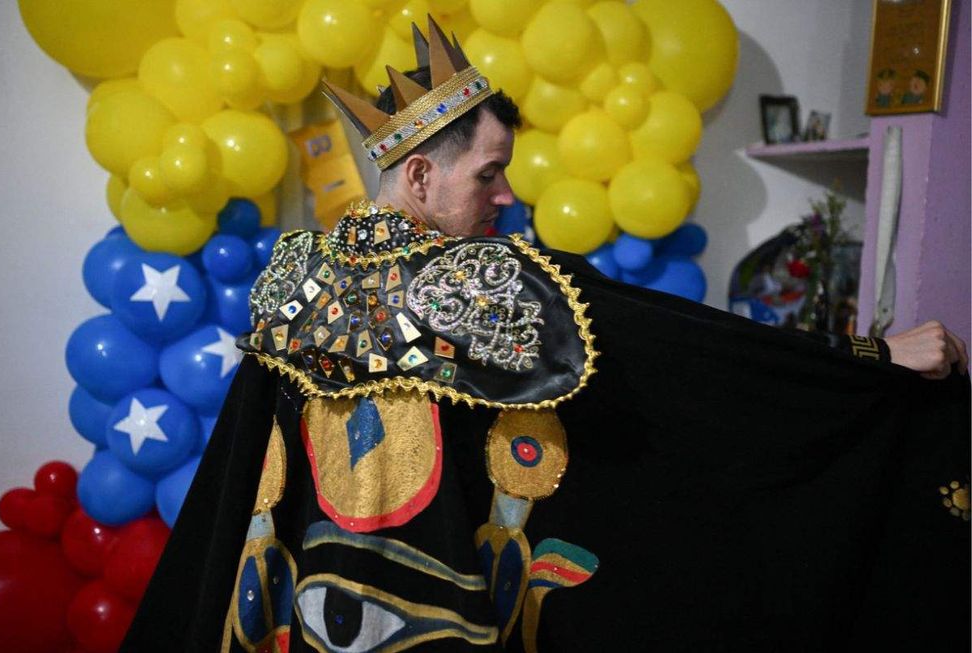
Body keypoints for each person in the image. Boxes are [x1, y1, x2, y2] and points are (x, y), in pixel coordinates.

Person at [123, 18, 969, 653]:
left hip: (300, 614)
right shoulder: (479, 282)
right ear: (419, 174)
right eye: (487, 174)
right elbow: (681, 347)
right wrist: (867, 361)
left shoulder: (291, 274)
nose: (502, 198)